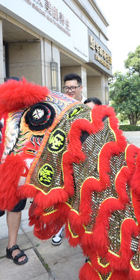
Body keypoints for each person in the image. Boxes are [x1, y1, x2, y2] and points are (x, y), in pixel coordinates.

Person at [53, 72, 85, 245]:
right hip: (64, 158)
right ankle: (60, 228)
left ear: (81, 88)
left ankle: (82, 227)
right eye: (67, 88)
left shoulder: (88, 106)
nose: (70, 90)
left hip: (85, 158)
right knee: (63, 194)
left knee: (83, 194)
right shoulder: (60, 107)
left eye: (73, 87)